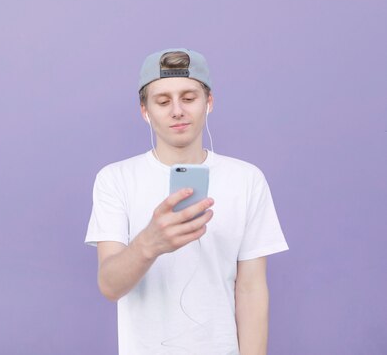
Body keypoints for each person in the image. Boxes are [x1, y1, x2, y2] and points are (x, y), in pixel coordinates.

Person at [84, 48, 289, 355]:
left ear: (209, 103)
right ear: (145, 111)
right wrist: (148, 243)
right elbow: (110, 286)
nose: (177, 110)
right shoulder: (115, 179)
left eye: (189, 98)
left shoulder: (246, 179)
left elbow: (251, 290)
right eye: (163, 101)